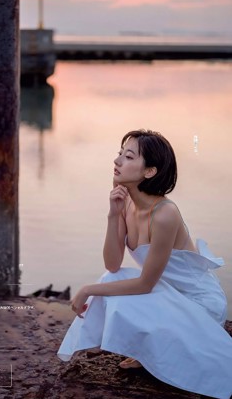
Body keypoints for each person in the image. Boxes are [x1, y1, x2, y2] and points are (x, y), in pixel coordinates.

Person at [57, 129, 232, 399]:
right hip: (166, 295)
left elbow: (145, 283)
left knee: (110, 286)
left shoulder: (165, 214)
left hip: (198, 304)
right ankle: (149, 351)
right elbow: (113, 264)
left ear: (149, 171)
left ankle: (154, 351)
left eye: (128, 156)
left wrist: (87, 289)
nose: (117, 161)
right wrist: (113, 215)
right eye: (119, 154)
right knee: (111, 279)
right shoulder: (125, 203)